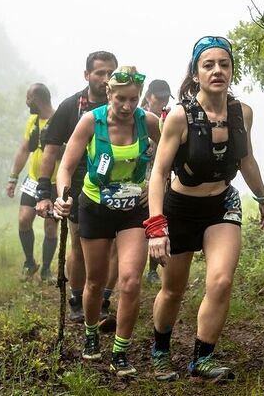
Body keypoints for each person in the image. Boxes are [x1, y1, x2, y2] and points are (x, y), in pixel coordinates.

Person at [146, 36, 264, 382]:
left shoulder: (242, 112)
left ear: (232, 70)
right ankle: (160, 352)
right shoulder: (179, 116)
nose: (217, 71)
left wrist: (263, 199)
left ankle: (202, 359)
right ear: (196, 73)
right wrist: (156, 227)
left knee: (220, 281)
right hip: (180, 207)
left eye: (224, 64)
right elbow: (158, 173)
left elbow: (246, 159)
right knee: (173, 288)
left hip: (222, 203)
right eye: (208, 65)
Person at [54, 66, 161, 377]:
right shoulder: (91, 121)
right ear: (109, 95)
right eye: (121, 99)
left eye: (134, 99)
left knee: (130, 281)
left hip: (133, 210)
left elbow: (169, 156)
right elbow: (66, 166)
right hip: (95, 206)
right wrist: (64, 195)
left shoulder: (149, 121)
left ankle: (120, 351)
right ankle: (90, 332)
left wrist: (156, 184)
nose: (128, 106)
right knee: (95, 281)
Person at [35, 51, 120, 325]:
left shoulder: (122, 106)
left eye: (110, 73)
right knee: (80, 244)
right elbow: (50, 151)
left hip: (116, 188)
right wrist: (44, 192)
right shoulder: (71, 107)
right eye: (99, 73)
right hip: (77, 187)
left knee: (113, 247)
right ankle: (76, 299)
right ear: (87, 75)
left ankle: (102, 301)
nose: (105, 79)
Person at [6, 83, 59, 281]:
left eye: (28, 97)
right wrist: (13, 177)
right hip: (33, 180)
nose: (26, 101)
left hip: (54, 183)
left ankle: (46, 269)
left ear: (36, 99)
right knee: (23, 219)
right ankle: (30, 262)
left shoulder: (59, 120)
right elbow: (23, 150)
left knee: (50, 227)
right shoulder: (32, 121)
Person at [140, 79, 173, 284]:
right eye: (158, 97)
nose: (161, 101)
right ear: (148, 96)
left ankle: (152, 270)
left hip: (160, 179)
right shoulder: (136, 117)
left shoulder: (169, 118)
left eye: (165, 98)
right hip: (137, 180)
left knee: (158, 221)